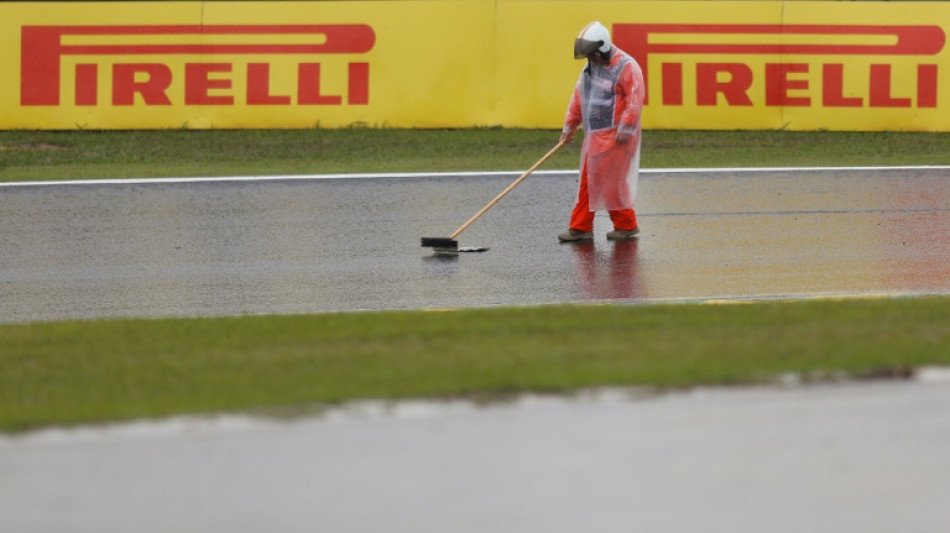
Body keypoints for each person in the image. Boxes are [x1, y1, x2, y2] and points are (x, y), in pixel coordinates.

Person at [558, 21, 645, 242]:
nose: (591, 59)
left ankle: (600, 225)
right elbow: (579, 98)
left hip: (618, 136)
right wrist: (570, 126)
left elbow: (635, 98)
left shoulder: (626, 66)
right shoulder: (590, 68)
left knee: (607, 180)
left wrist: (626, 126)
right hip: (595, 136)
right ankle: (589, 226)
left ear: (603, 48)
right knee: (592, 179)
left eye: (593, 54)